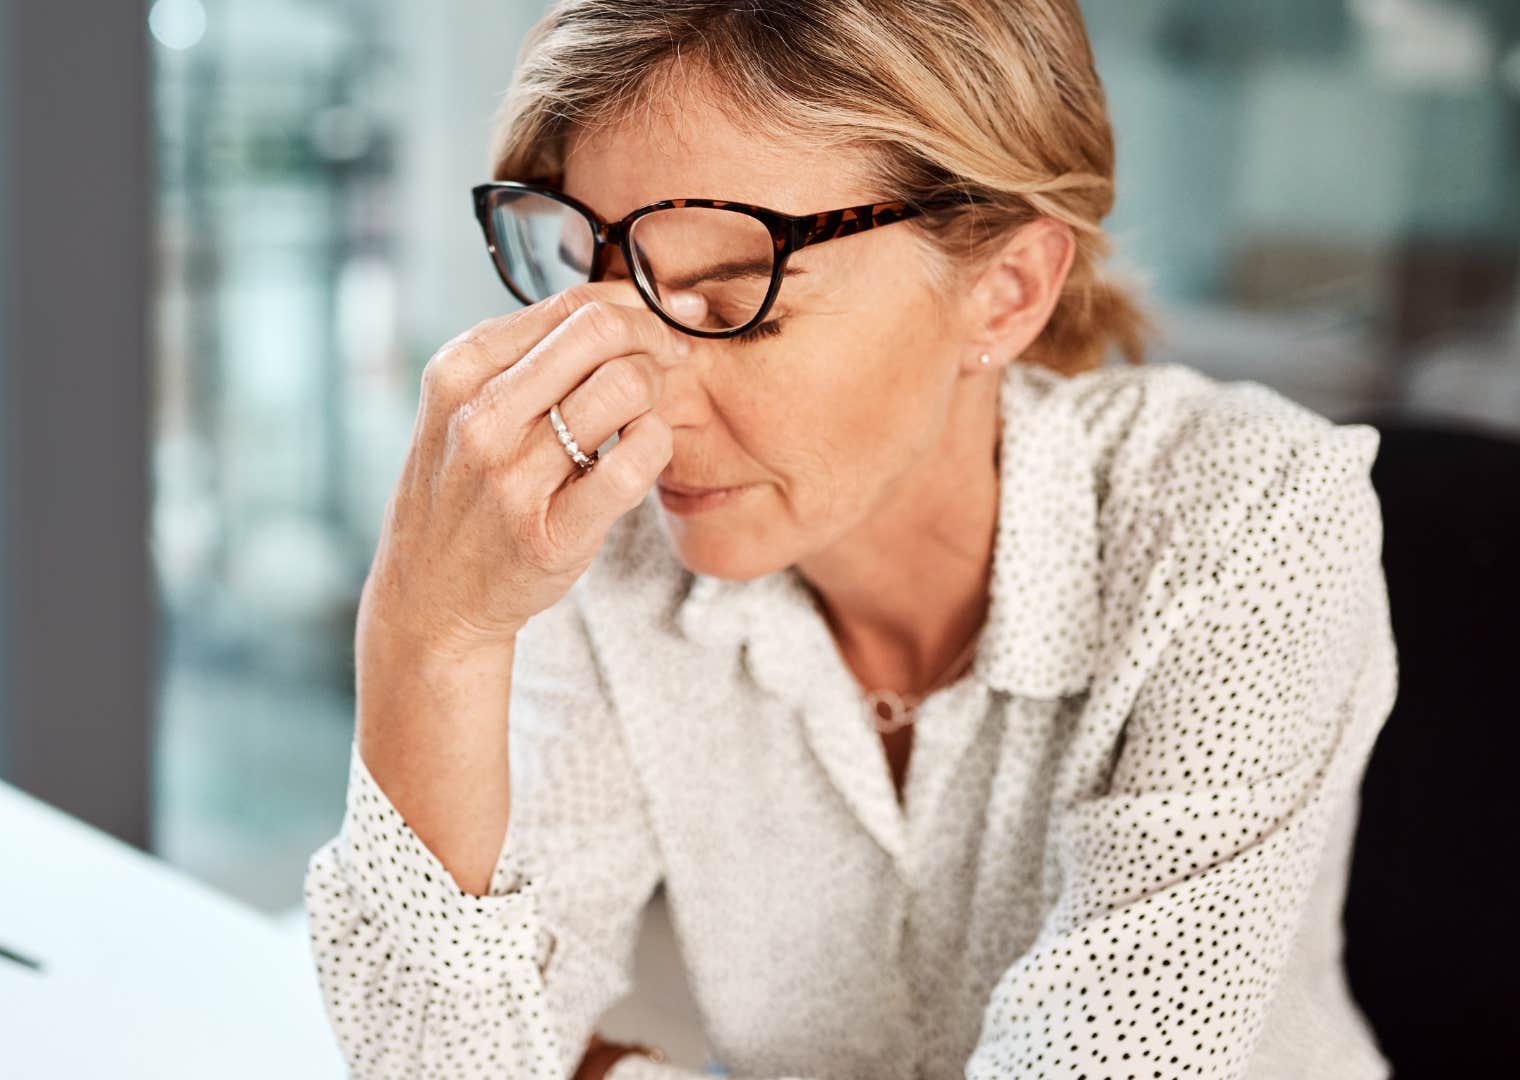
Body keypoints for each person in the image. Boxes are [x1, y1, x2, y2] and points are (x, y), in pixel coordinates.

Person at [303, 2, 1397, 1077]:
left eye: (733, 301)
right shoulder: (611, 547)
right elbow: (444, 1059)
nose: (636, 400)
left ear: (1005, 293)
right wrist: (427, 631)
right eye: (604, 293)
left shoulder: (1247, 516)